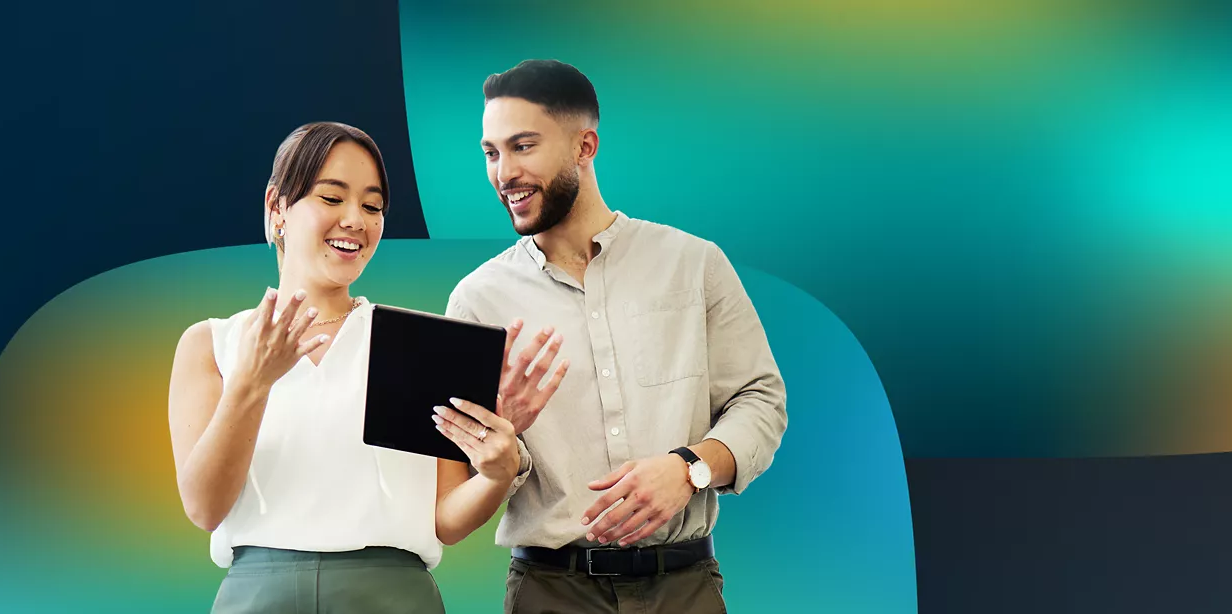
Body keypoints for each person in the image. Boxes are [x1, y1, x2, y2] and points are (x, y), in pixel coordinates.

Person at [166, 121, 569, 613]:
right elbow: (205, 507)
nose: (355, 220)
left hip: (392, 598)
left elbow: (445, 519)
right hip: (257, 597)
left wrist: (496, 474)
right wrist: (253, 382)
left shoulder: (419, 344)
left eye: (372, 205)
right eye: (332, 199)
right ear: (277, 208)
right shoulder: (213, 344)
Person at [439, 59, 788, 613]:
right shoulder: (477, 301)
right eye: (491, 152)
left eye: (523, 146)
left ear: (585, 146)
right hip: (550, 590)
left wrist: (689, 468)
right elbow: (462, 476)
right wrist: (504, 441)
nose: (503, 172)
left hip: (686, 586)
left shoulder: (693, 264)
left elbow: (761, 400)